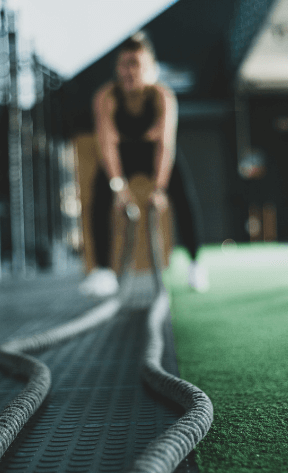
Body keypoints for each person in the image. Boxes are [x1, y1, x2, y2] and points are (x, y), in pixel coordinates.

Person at [79, 32, 208, 297]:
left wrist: (159, 190)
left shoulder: (162, 97)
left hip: (153, 154)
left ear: (149, 68)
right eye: (123, 65)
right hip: (122, 154)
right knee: (99, 195)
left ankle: (196, 264)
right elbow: (107, 146)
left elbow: (165, 146)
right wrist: (119, 189)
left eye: (135, 64)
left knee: (183, 195)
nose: (128, 71)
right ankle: (103, 271)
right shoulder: (106, 97)